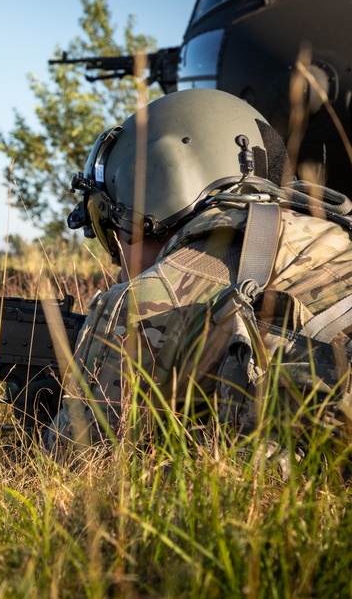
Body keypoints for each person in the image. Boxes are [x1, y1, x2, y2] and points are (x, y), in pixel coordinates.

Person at [43, 88, 352, 458]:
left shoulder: (147, 301)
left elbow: (74, 460)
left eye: (108, 224)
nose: (116, 260)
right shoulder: (334, 233)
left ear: (159, 185)